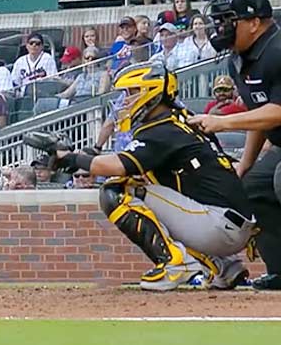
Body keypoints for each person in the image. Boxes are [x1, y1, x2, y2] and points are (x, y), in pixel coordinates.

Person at [53, 61, 255, 291]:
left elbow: (118, 167)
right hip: (229, 222)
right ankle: (224, 266)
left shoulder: (162, 129)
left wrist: (69, 158)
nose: (125, 100)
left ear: (151, 92)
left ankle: (175, 265)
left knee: (116, 190)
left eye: (131, 93)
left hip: (218, 224)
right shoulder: (179, 118)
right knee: (145, 183)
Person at [188, 0, 281, 290]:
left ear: (254, 22)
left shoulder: (278, 50)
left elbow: (277, 112)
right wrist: (246, 164)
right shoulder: (238, 59)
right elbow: (259, 114)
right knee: (253, 185)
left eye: (228, 20)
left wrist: (222, 121)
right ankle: (279, 270)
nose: (220, 27)